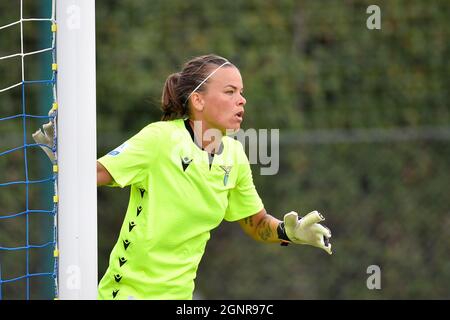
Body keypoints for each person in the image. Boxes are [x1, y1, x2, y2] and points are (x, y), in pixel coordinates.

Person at [34, 54, 332, 300]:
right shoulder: (159, 139)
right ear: (198, 101)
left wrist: (288, 232)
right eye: (230, 92)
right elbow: (93, 174)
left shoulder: (235, 157)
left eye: (241, 92)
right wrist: (66, 157)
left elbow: (255, 223)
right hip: (124, 295)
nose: (241, 100)